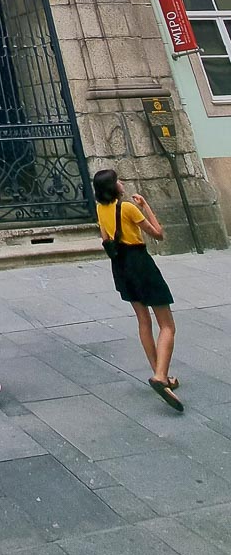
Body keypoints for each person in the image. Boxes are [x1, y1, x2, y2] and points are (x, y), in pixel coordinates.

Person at [93, 168, 182, 411]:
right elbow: (158, 234)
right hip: (140, 263)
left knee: (143, 320)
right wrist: (146, 206)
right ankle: (161, 376)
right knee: (167, 325)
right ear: (114, 186)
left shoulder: (100, 209)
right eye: (118, 180)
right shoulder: (128, 208)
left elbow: (105, 239)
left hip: (120, 266)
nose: (121, 182)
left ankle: (160, 375)